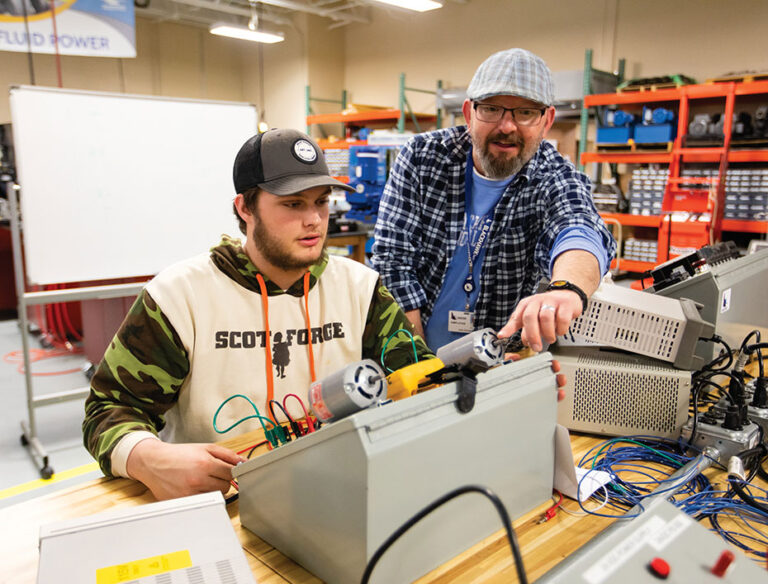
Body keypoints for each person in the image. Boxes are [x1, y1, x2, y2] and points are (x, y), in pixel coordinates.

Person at [83, 128, 433, 501]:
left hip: (336, 490)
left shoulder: (361, 289)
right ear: (245, 208)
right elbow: (109, 409)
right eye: (294, 204)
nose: (314, 219)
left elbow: (421, 377)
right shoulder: (179, 295)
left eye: (322, 201)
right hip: (220, 501)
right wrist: (148, 457)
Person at [372, 48, 616, 353]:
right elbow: (393, 261)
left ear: (547, 120)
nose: (507, 126)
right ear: (468, 113)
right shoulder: (422, 158)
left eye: (525, 112)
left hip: (500, 362)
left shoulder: (554, 175)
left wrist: (566, 289)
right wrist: (418, 362)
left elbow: (578, 228)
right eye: (491, 109)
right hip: (415, 349)